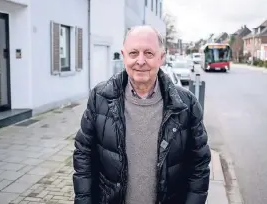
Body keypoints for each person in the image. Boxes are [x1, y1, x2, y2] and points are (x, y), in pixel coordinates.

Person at [73, 25, 211, 204]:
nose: (140, 61)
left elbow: (199, 164)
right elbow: (83, 155)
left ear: (161, 58)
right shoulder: (100, 98)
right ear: (123, 56)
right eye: (133, 53)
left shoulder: (186, 105)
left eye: (148, 53)